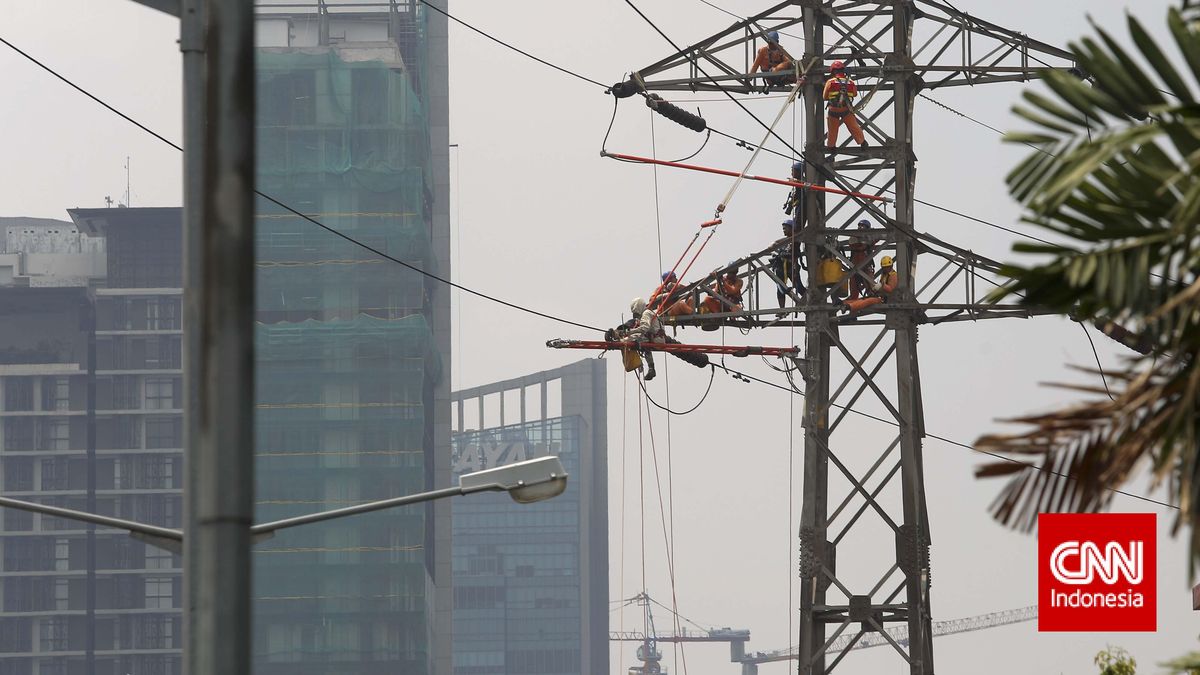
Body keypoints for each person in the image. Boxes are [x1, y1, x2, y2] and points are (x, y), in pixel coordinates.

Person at [823, 60, 867, 148]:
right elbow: (854, 94)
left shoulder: (830, 82)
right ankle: (862, 142)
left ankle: (831, 147)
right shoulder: (850, 82)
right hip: (846, 109)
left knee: (832, 130)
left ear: (832, 71)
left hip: (833, 110)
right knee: (854, 127)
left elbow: (824, 97)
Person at [627, 297, 666, 380]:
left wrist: (630, 332)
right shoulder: (650, 312)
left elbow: (645, 328)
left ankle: (639, 364)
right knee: (640, 340)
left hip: (656, 339)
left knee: (633, 339)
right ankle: (651, 368)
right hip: (659, 339)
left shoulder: (646, 313)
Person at [771, 219, 806, 309]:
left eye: (785, 228)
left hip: (792, 267)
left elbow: (795, 244)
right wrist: (776, 246)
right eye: (783, 229)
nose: (784, 230)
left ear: (792, 228)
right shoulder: (786, 241)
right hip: (782, 267)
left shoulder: (796, 240)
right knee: (780, 289)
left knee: (799, 286)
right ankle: (782, 309)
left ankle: (806, 299)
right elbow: (773, 244)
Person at [846, 219, 879, 300]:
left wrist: (872, 234)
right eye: (859, 226)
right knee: (854, 288)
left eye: (863, 226)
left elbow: (879, 237)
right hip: (855, 266)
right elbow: (853, 244)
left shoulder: (869, 237)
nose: (860, 227)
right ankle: (853, 300)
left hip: (866, 265)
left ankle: (871, 294)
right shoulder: (854, 237)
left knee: (870, 285)